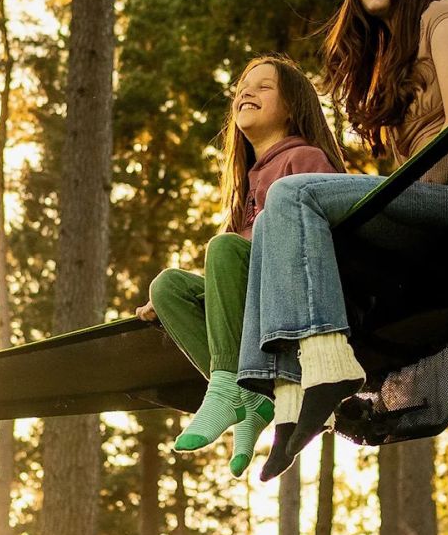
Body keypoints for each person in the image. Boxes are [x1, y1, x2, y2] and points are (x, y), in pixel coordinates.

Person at [237, 0, 448, 480]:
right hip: (428, 205)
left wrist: (404, 194)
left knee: (292, 192)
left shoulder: (444, 20)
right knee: (270, 225)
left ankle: (329, 364)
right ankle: (285, 396)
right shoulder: (389, 56)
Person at [137, 55, 344, 477]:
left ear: (292, 107)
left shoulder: (302, 158)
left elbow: (325, 247)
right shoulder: (249, 180)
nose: (246, 92)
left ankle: (233, 386)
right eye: (242, 88)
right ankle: (244, 393)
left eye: (264, 87)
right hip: (252, 311)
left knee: (225, 249)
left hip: (292, 303)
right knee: (169, 288)